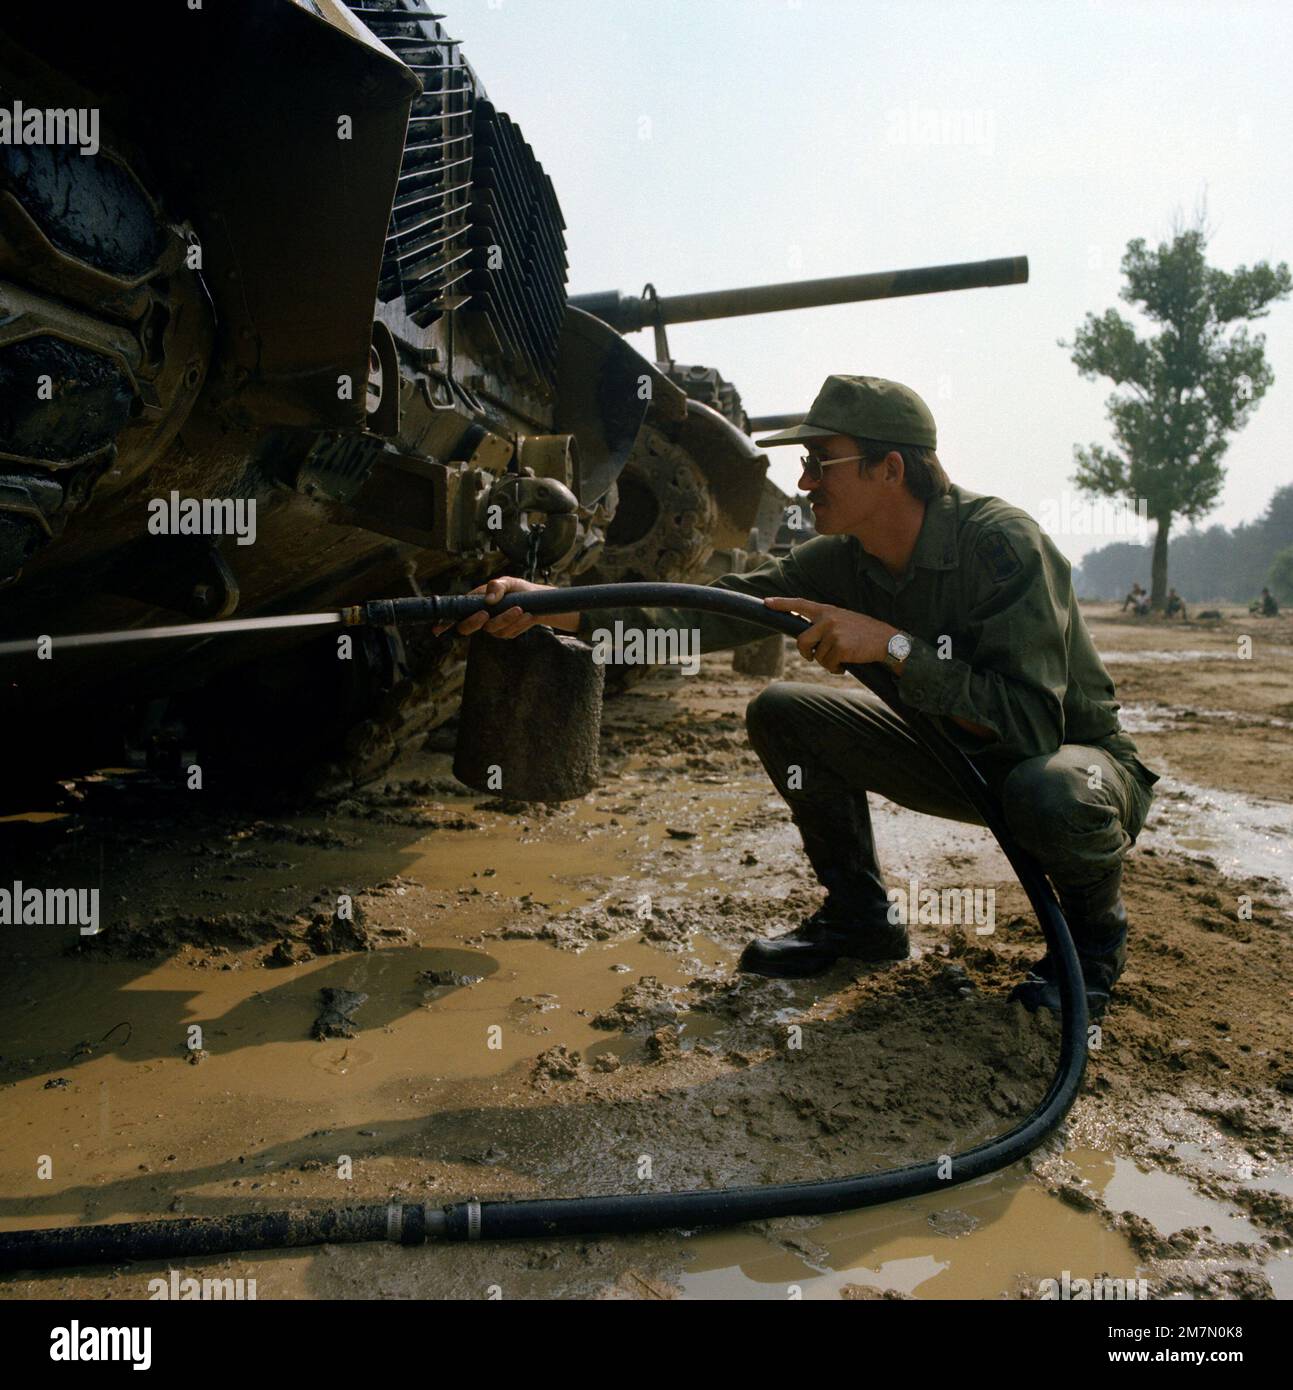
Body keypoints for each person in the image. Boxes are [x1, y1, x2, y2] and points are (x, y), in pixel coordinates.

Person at [439, 375, 1159, 1020]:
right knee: (783, 711)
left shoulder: (1001, 545)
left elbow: (1031, 729)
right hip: (955, 757)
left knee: (1050, 792)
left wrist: (892, 647)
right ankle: (860, 921)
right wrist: (555, 606)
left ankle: (1093, 951)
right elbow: (705, 612)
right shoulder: (838, 561)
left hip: (1072, 767)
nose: (806, 480)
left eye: (821, 461)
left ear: (890, 468)